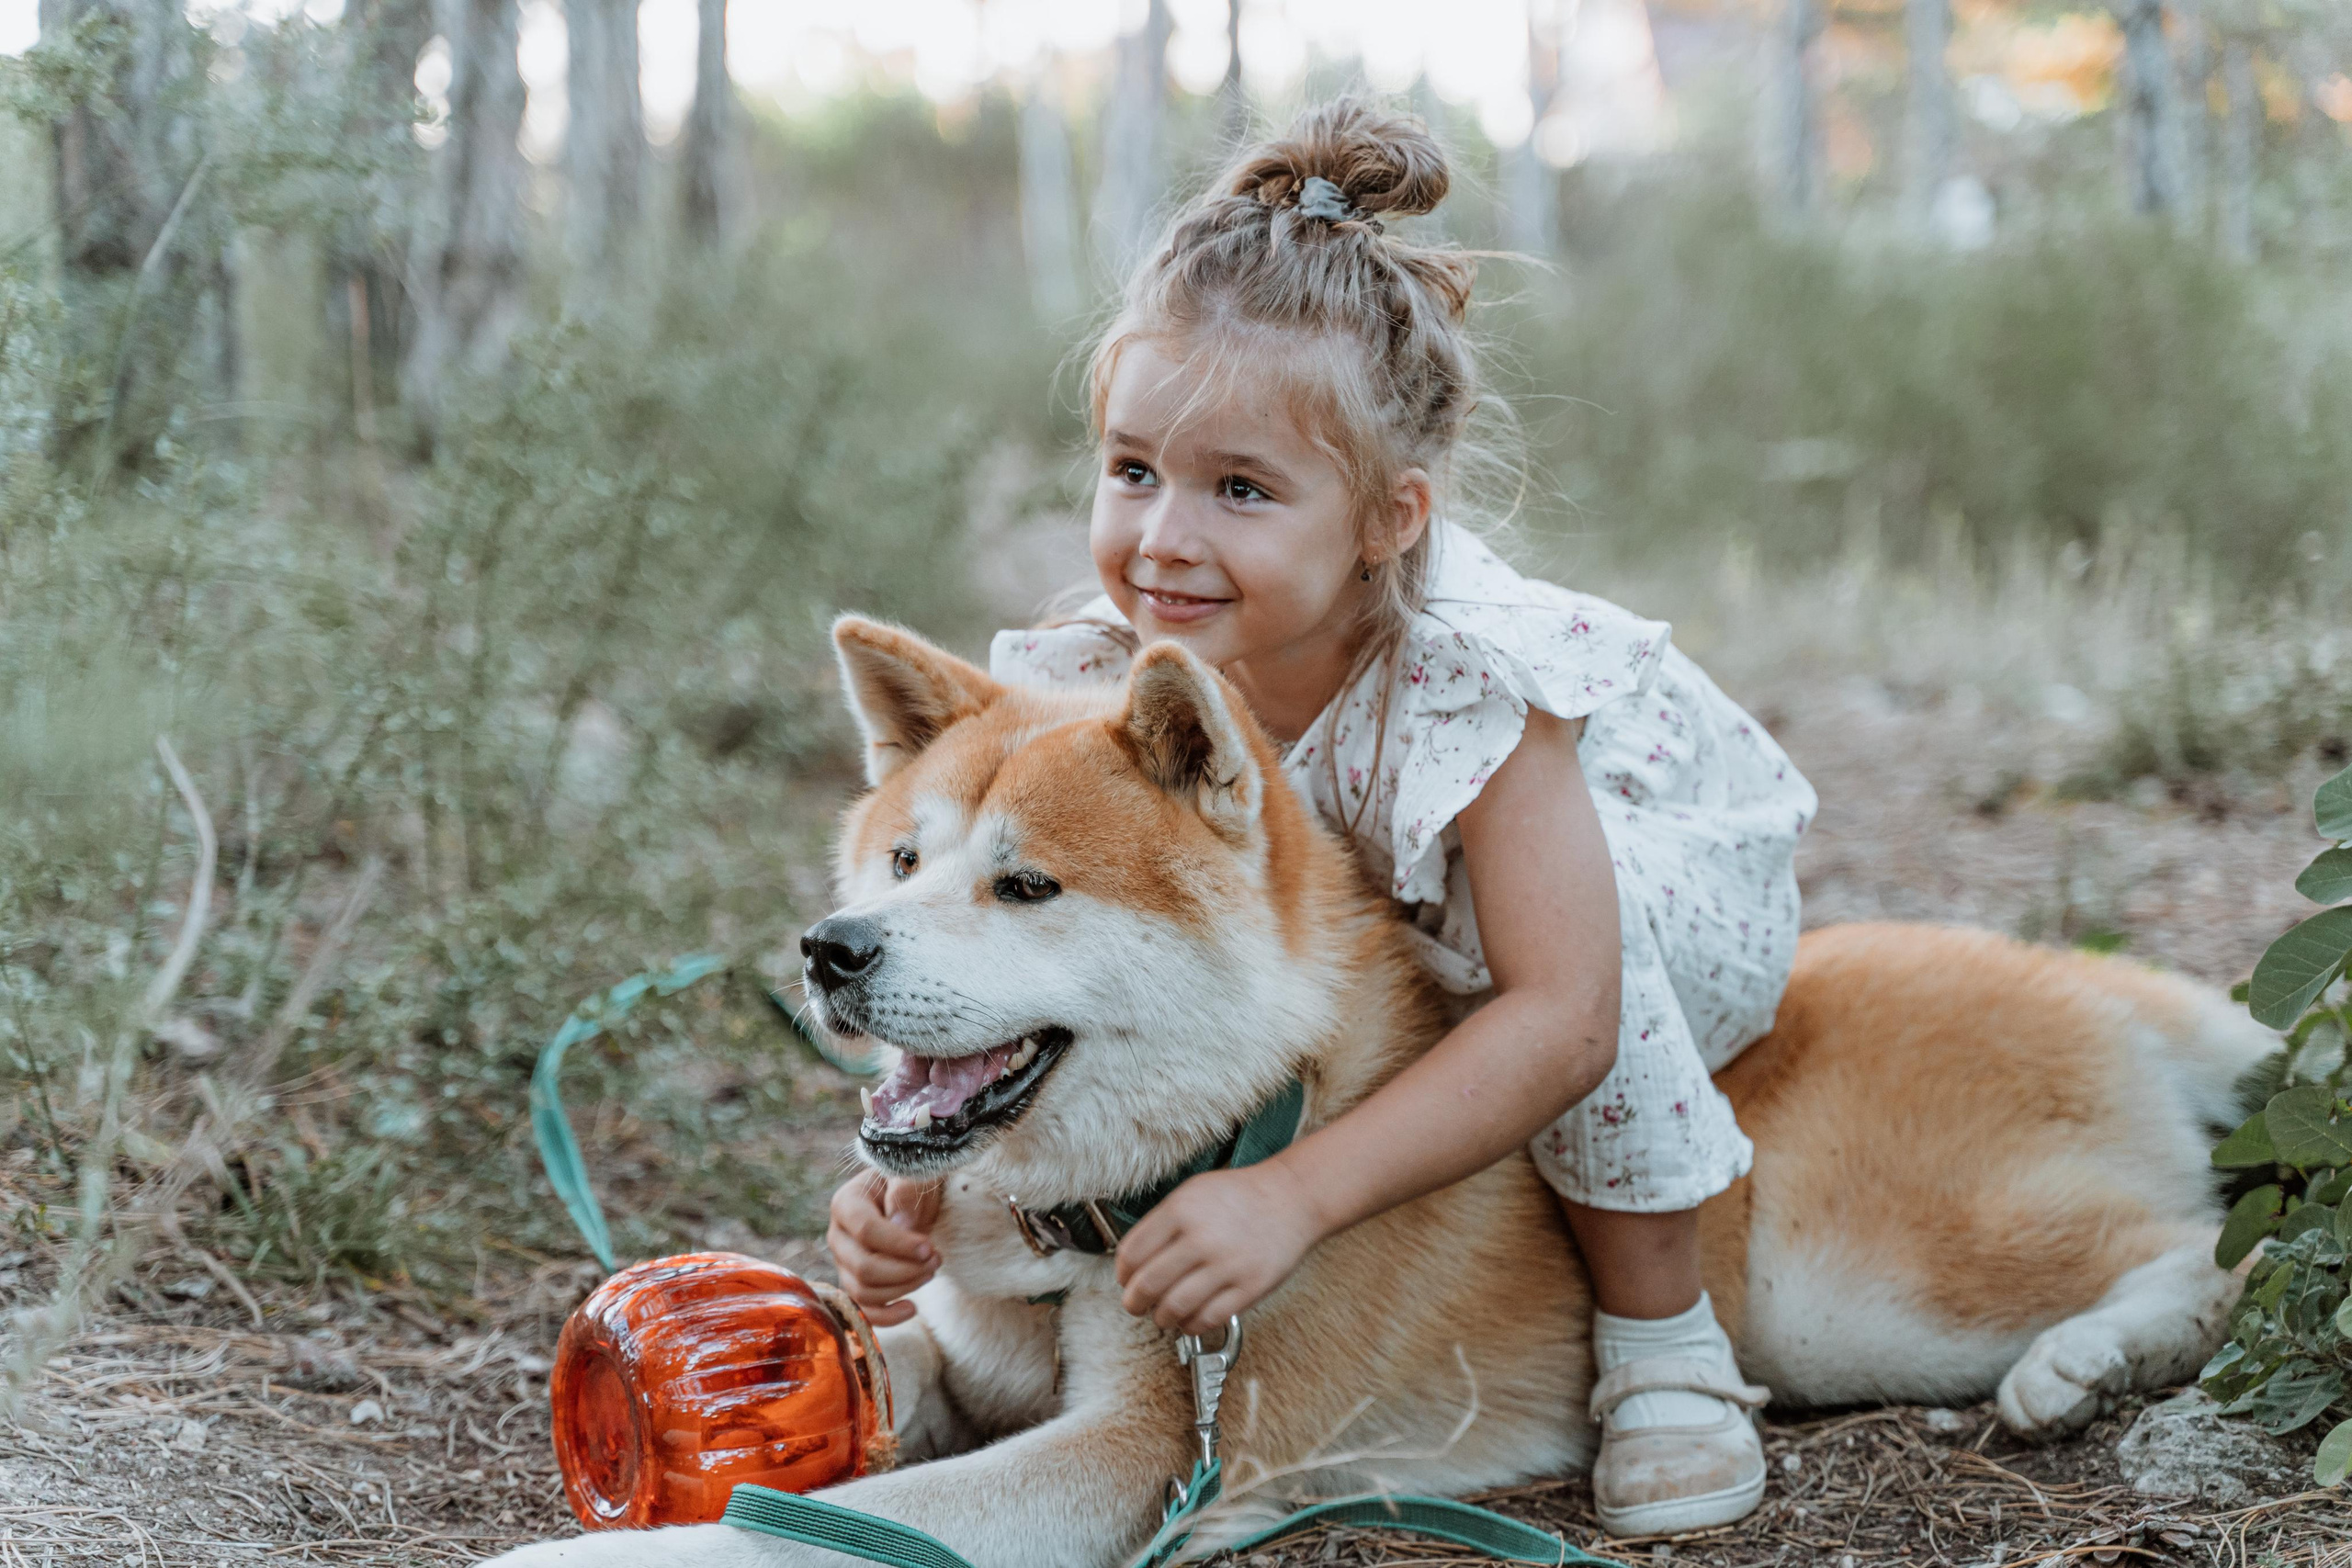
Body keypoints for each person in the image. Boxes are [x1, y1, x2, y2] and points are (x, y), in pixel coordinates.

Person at [822, 98, 1816, 1537]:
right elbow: (1007, 957)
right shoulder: (1099, 675)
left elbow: (1568, 1020)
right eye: (1132, 471)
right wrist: (909, 1170)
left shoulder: (1475, 685)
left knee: (1507, 968)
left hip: (1648, 905)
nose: (1165, 537)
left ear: (1388, 520)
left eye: (1240, 489)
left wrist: (1289, 1201)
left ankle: (1666, 1353)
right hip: (1373, 888)